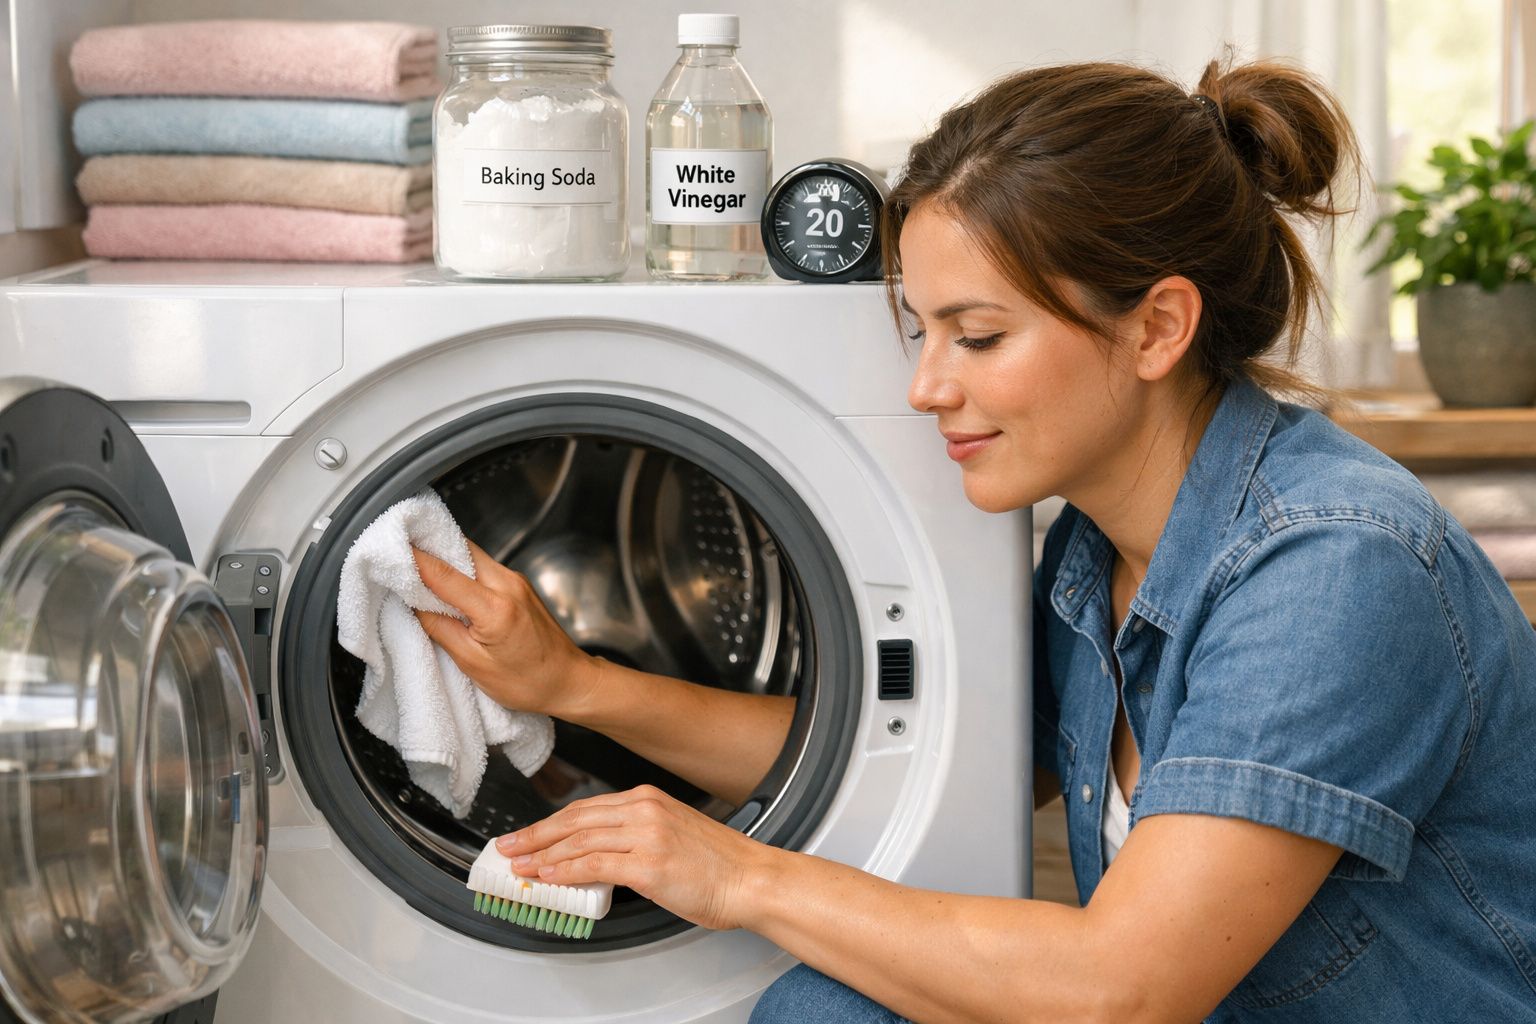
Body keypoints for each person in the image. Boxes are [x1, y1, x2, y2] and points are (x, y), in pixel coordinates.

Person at [410, 57, 1536, 1023]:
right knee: (825, 1007)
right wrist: (576, 685)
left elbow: (1121, 989)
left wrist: (738, 875)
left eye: (979, 336)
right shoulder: (1096, 550)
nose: (926, 386)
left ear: (1157, 327)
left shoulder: (1333, 567)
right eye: (923, 330)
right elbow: (914, 753)